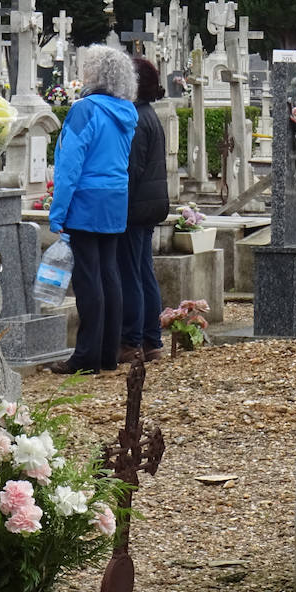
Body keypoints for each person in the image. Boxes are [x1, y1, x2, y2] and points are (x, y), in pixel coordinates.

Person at [47, 45, 138, 375]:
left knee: (88, 280)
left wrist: (58, 212)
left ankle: (85, 356)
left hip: (87, 198)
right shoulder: (126, 110)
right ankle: (107, 353)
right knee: (109, 275)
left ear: (96, 75)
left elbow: (69, 164)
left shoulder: (85, 109)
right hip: (115, 198)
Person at [118, 57, 169, 364]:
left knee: (131, 273)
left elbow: (132, 169)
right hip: (151, 204)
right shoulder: (149, 114)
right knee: (143, 271)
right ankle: (152, 340)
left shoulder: (136, 118)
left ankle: (132, 341)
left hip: (135, 207)